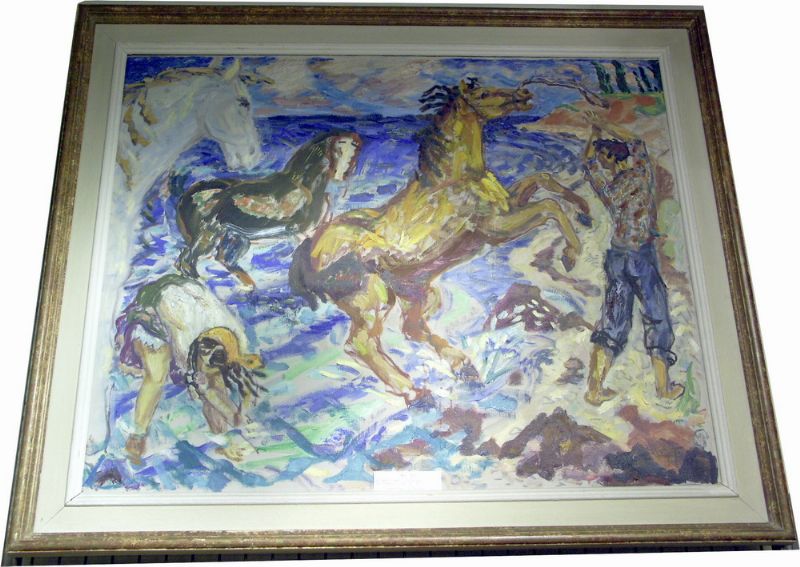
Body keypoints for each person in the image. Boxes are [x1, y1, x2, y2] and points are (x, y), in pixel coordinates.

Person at [581, 111, 684, 406]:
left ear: (610, 160)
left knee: (613, 322)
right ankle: (663, 388)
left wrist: (594, 133)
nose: (603, 163)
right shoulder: (641, 174)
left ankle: (595, 389)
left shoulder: (609, 188)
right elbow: (635, 140)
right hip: (641, 255)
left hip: (617, 257)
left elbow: (588, 163)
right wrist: (604, 125)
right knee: (657, 316)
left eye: (605, 159)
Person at [115, 274, 264, 464]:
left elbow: (214, 388)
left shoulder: (234, 339)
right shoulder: (187, 345)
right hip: (153, 314)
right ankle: (137, 436)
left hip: (183, 303)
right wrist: (237, 424)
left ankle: (221, 436)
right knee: (157, 377)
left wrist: (232, 429)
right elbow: (207, 392)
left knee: (213, 383)